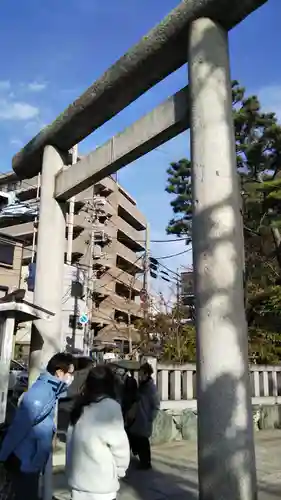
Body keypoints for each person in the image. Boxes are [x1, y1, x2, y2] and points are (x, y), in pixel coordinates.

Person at [0, 352, 74, 500]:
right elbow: (19, 428)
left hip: (30, 461)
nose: (71, 377)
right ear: (60, 372)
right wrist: (2, 456)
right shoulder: (41, 394)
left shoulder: (51, 391)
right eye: (70, 373)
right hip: (25, 461)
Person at [66, 364, 130, 500]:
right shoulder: (111, 407)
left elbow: (70, 443)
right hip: (102, 487)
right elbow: (120, 447)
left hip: (78, 485)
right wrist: (119, 471)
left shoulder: (79, 405)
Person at [127, 362, 160, 470]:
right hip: (137, 418)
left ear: (147, 374)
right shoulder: (141, 386)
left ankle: (146, 463)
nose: (139, 376)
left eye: (141, 373)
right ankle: (141, 460)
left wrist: (150, 418)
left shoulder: (151, 388)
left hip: (144, 419)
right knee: (136, 438)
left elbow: (156, 406)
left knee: (143, 442)